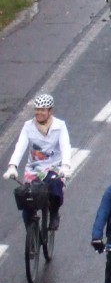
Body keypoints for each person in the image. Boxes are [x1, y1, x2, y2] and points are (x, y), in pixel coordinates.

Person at [5, 93, 71, 228]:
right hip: (34, 170)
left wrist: (65, 166)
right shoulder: (28, 126)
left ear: (50, 111)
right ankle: (31, 233)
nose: (39, 113)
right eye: (37, 109)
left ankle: (54, 213)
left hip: (53, 167)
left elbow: (65, 146)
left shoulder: (59, 126)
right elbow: (20, 146)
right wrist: (12, 166)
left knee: (55, 187)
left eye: (42, 110)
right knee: (26, 201)